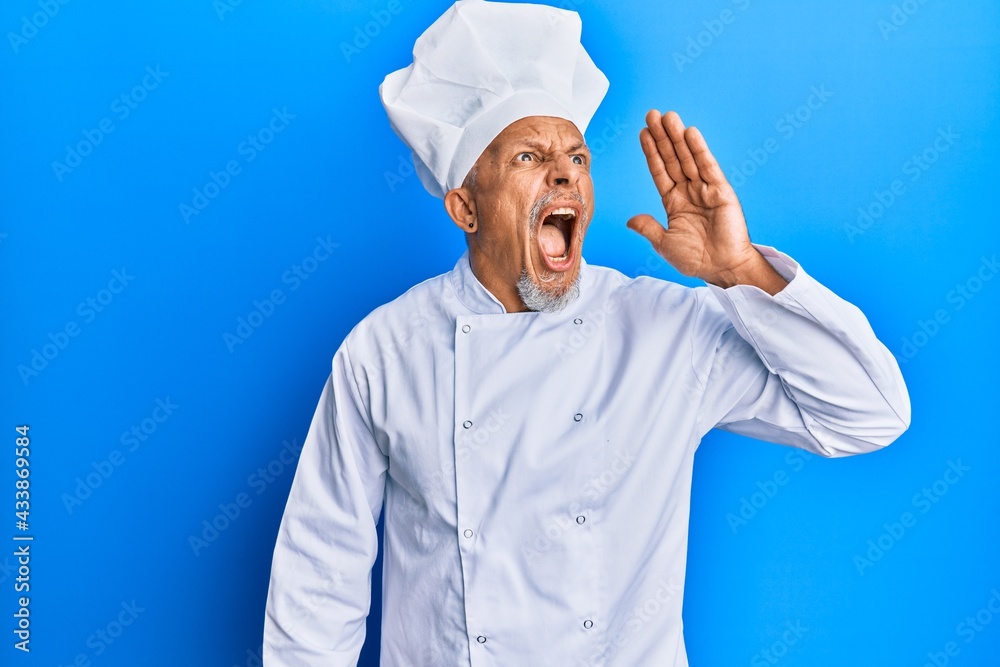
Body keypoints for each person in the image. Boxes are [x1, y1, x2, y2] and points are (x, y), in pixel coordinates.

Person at [263, 1, 910, 665]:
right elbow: (320, 577)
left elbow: (869, 415)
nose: (566, 170)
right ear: (465, 207)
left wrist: (739, 271)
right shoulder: (385, 351)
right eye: (528, 156)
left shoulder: (665, 330)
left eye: (576, 154)